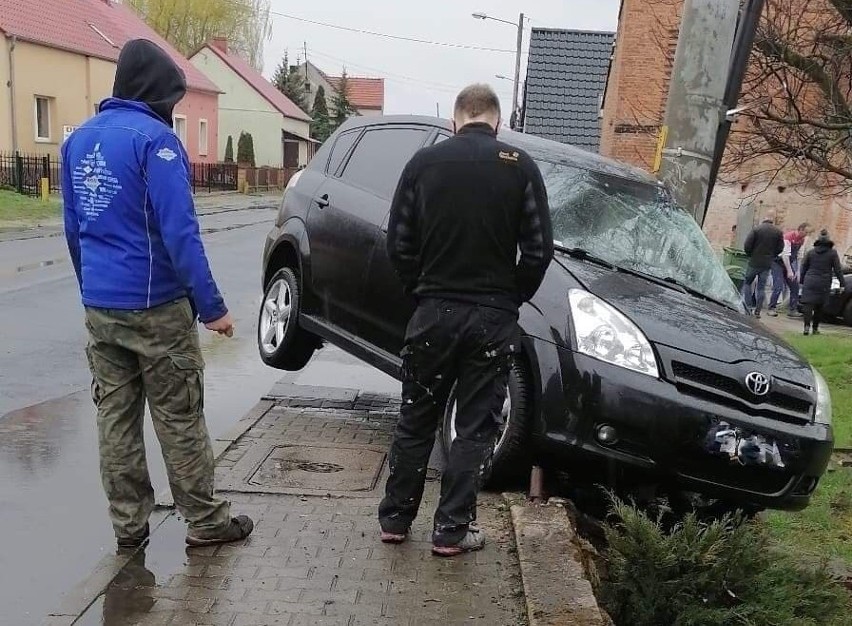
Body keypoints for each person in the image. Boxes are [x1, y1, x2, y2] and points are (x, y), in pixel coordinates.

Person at [62, 39, 253, 548]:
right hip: (157, 310)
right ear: (156, 95)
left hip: (102, 307)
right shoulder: (158, 143)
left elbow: (74, 229)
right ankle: (207, 523)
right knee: (179, 416)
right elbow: (181, 234)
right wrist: (212, 308)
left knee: (115, 419)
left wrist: (93, 291)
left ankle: (128, 528)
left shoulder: (77, 141)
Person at [379, 84, 553, 557]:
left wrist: (422, 288)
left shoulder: (422, 165)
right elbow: (539, 251)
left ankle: (395, 520)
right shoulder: (520, 168)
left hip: (434, 312)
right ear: (497, 123)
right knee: (475, 426)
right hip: (492, 319)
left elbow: (397, 243)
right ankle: (451, 530)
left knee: (416, 418)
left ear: (455, 120)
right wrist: (509, 297)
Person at [799, 229, 846, 335]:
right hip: (824, 282)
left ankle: (806, 326)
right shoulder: (832, 253)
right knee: (819, 307)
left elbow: (804, 267)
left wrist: (802, 280)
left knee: (808, 305)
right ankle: (815, 329)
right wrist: (842, 284)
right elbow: (838, 269)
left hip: (810, 280)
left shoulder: (811, 252)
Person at [741, 212, 784, 318]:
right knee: (761, 287)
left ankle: (748, 307)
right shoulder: (778, 232)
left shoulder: (756, 229)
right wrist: (773, 255)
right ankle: (758, 311)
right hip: (767, 263)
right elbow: (780, 248)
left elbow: (747, 245)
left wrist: (750, 254)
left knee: (747, 283)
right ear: (772, 220)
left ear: (764, 219)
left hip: (754, 261)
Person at [767, 222, 810, 318]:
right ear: (801, 229)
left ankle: (792, 310)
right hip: (778, 263)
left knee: (795, 286)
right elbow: (785, 256)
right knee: (778, 286)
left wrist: (798, 271)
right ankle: (771, 308)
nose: (807, 235)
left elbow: (799, 256)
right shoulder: (788, 237)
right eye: (806, 232)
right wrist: (789, 271)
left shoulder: (801, 240)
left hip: (788, 264)